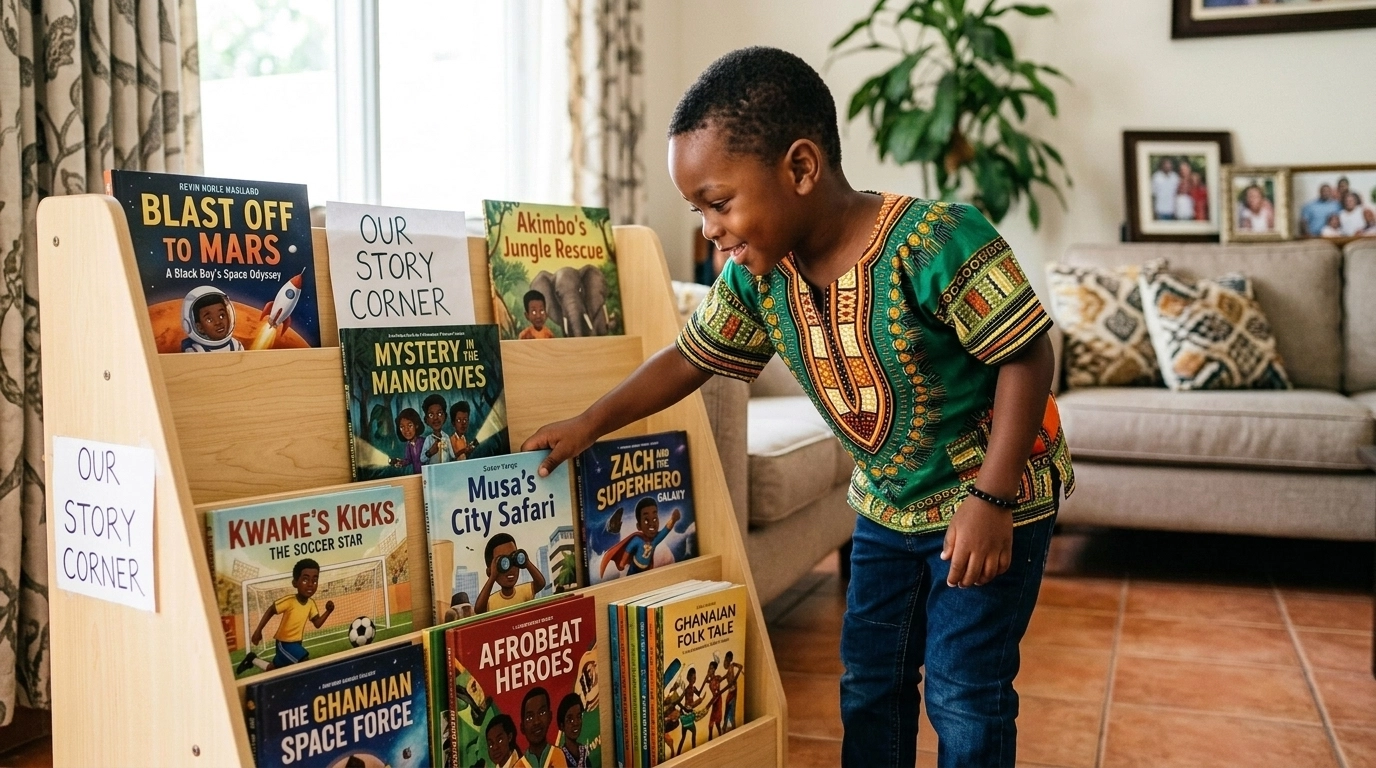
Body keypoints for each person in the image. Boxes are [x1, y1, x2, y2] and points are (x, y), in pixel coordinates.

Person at [520, 47, 1070, 767]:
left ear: (802, 169)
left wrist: (991, 499)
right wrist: (590, 421)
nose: (711, 228)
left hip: (991, 499)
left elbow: (1026, 354)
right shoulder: (757, 275)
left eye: (719, 203)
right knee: (871, 682)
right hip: (884, 507)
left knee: (964, 691)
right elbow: (690, 357)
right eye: (699, 210)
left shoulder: (936, 239)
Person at [237, 558, 335, 674]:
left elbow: (317, 623)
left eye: (314, 581)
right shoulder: (289, 601)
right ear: (295, 583)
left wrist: (328, 611)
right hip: (284, 644)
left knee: (273, 669)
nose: (310, 585)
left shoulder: (311, 604)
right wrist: (258, 631)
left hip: (297, 643)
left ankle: (252, 659)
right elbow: (271, 610)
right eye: (305, 580)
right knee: (305, 663)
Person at [598, 498, 681, 578]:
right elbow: (628, 549)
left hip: (647, 570)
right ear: (638, 526)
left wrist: (673, 520)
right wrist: (622, 562)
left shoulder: (655, 540)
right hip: (634, 568)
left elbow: (665, 531)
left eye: (655, 519)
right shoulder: (637, 540)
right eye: (646, 520)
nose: (651, 524)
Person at [475, 533, 546, 614]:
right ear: (489, 571)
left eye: (513, 559)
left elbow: (541, 583)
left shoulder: (523, 591)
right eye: (502, 562)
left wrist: (527, 563)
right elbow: (479, 609)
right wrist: (492, 577)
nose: (510, 568)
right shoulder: (492, 601)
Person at [180, 286, 244, 352]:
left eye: (222, 316)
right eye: (209, 319)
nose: (218, 322)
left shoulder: (236, 346)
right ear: (199, 327)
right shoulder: (196, 350)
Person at [520, 688, 568, 768]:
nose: (536, 722)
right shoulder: (519, 765)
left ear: (550, 717)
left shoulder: (557, 755)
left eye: (542, 713)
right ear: (522, 727)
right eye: (529, 717)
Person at [555, 693, 591, 768]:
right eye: (570, 720)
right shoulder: (559, 757)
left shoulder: (584, 754)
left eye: (578, 717)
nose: (575, 723)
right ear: (562, 726)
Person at [389, 408, 424, 475]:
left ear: (416, 425)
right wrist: (401, 462)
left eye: (410, 426)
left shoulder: (424, 442)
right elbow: (408, 460)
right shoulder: (409, 445)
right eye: (402, 427)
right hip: (416, 476)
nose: (406, 430)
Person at [421, 394, 453, 465]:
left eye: (439, 413)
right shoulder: (428, 439)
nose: (435, 418)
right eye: (431, 415)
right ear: (426, 420)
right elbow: (422, 459)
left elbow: (452, 455)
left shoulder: (446, 437)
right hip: (433, 472)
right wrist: (430, 452)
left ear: (445, 416)